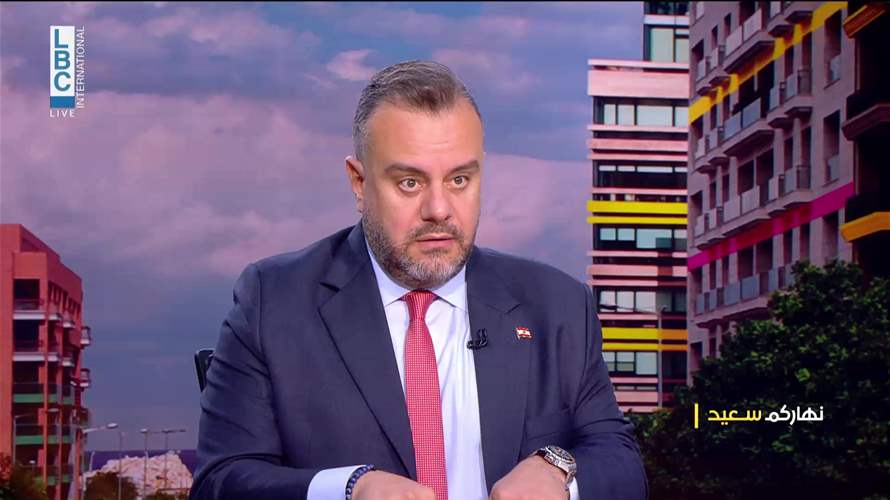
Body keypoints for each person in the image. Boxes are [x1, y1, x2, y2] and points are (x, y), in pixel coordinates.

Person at [191, 60, 647, 500]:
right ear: (358, 183)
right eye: (410, 183)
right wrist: (350, 488)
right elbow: (220, 482)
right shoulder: (273, 302)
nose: (439, 210)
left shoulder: (557, 306)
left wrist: (556, 470)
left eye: (459, 180)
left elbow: (619, 461)